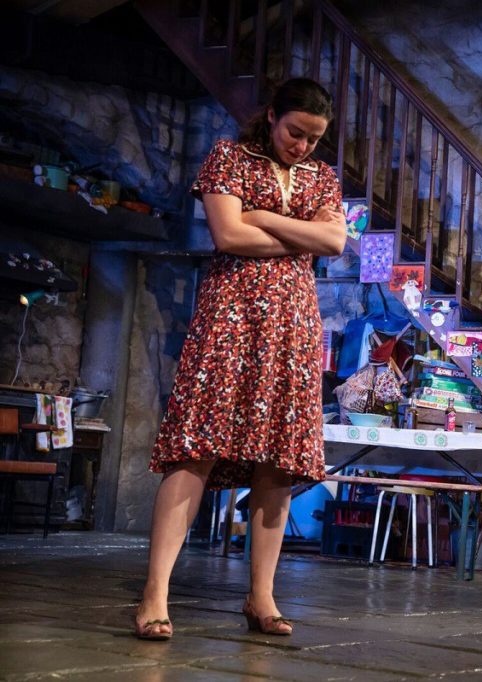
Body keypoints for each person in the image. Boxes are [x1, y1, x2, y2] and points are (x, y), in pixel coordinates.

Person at [134, 78, 346, 641]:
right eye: (295, 132)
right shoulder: (229, 157)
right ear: (272, 116)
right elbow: (228, 236)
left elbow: (336, 243)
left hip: (293, 325)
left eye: (313, 139)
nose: (302, 146)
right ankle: (155, 594)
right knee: (196, 449)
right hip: (230, 317)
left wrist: (267, 219)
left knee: (279, 460)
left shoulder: (321, 177)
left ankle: (262, 596)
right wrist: (300, 234)